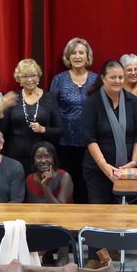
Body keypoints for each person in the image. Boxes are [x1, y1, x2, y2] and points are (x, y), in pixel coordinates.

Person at [82, 60, 137, 204]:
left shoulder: (132, 101)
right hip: (98, 171)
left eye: (120, 77)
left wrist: (134, 162)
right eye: (113, 77)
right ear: (103, 78)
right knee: (102, 213)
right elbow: (89, 137)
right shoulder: (92, 102)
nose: (117, 81)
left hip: (128, 170)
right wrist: (105, 166)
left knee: (127, 214)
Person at [49, 37, 98, 204]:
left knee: (87, 183)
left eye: (81, 53)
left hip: (90, 141)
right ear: (68, 57)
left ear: (87, 56)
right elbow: (51, 108)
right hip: (65, 141)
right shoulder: (58, 80)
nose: (77, 56)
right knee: (67, 183)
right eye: (73, 53)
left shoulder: (97, 79)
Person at [0, 59, 63, 174]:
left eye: (33, 75)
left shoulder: (49, 98)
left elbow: (60, 131)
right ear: (19, 79)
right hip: (15, 158)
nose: (30, 80)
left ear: (38, 77)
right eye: (25, 76)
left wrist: (43, 129)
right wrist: (0, 110)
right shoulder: (13, 98)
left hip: (42, 159)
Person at [26, 141, 74, 266]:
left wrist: (45, 187)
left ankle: (62, 256)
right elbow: (31, 207)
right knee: (33, 262)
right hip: (40, 225)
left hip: (62, 225)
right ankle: (46, 253)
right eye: (39, 157)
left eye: (47, 156)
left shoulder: (64, 176)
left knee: (60, 266)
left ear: (53, 158)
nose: (43, 161)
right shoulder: (30, 179)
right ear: (33, 160)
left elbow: (60, 210)